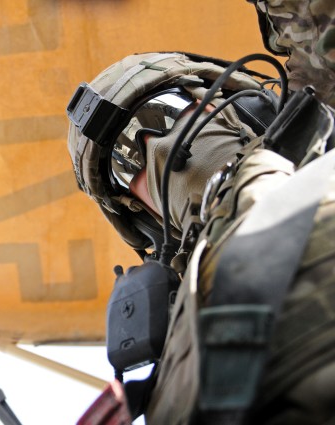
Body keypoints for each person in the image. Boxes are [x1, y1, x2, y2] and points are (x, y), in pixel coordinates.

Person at [67, 11, 335, 421]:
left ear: (244, 105)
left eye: (163, 110)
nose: (154, 146)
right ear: (144, 220)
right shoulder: (173, 366)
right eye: (125, 161)